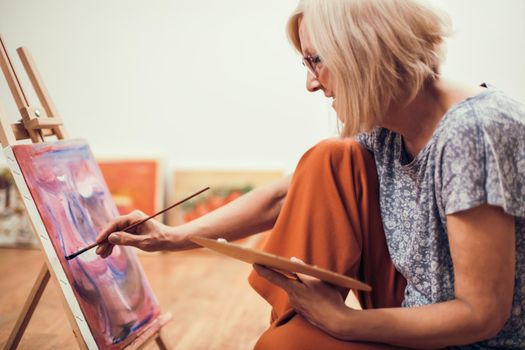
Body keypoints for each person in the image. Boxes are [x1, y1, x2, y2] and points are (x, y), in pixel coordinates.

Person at [96, 0, 525, 348]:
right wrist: (170, 237)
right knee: (329, 158)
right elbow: (285, 196)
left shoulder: (475, 130)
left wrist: (344, 323)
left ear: (361, 52)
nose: (311, 84)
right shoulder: (389, 126)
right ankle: (294, 322)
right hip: (413, 307)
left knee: (281, 347)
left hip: (465, 339)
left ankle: (297, 328)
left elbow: (481, 315)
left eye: (314, 61)